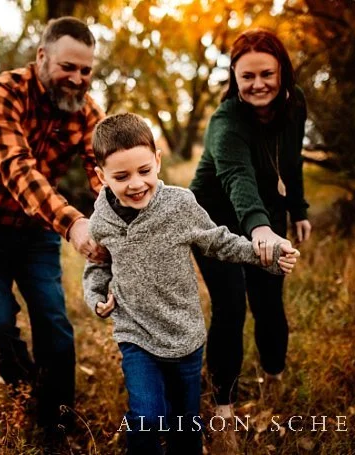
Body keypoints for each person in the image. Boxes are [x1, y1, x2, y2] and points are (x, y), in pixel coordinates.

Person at [79, 113, 295, 454]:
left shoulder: (179, 205)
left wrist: (265, 255)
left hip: (185, 335)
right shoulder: (101, 221)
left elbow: (220, 241)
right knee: (148, 418)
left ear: (158, 162)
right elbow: (97, 268)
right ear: (101, 176)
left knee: (184, 423)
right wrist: (96, 296)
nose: (136, 184)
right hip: (135, 333)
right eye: (121, 176)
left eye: (144, 171)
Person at [0, 17, 108, 437]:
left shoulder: (89, 113)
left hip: (34, 229)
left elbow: (103, 172)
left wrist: (122, 217)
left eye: (85, 70)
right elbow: (20, 171)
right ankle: (33, 398)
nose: (77, 78)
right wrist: (74, 225)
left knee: (53, 319)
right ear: (41, 57)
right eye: (67, 67)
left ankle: (61, 421)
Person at [192, 28, 315, 421]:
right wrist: (259, 228)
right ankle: (223, 409)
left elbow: (290, 162)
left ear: (282, 73)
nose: (258, 84)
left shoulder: (295, 107)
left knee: (268, 301)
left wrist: (297, 209)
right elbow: (236, 179)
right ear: (234, 77)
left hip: (267, 214)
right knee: (229, 307)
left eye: (266, 74)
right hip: (216, 221)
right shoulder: (225, 122)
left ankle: (273, 379)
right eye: (248, 76)